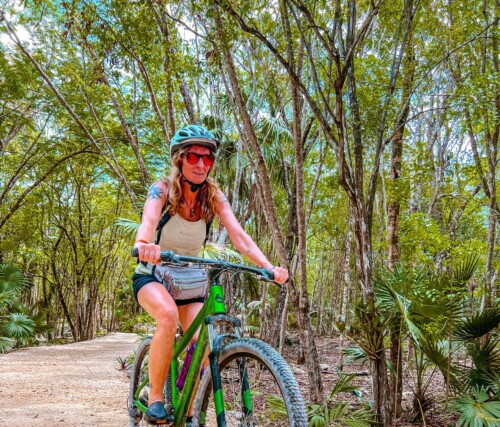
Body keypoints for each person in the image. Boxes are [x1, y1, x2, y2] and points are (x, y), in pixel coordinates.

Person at [133, 124, 288, 425]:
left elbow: (239, 236)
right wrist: (143, 244)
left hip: (190, 279)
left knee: (204, 348)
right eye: (193, 157)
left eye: (208, 159)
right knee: (166, 316)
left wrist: (268, 266)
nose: (201, 164)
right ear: (179, 159)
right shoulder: (162, 189)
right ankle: (154, 398)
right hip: (153, 273)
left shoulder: (214, 196)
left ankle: (189, 414)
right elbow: (149, 220)